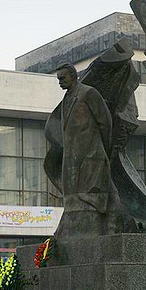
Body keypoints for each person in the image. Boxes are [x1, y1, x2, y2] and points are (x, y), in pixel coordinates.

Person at [44, 64, 123, 239]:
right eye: (58, 79)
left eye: (62, 78)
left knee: (93, 194)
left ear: (73, 75)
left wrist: (102, 147)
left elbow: (105, 121)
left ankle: (101, 223)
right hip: (71, 156)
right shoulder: (66, 99)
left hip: (91, 154)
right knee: (73, 195)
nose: (60, 82)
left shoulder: (88, 93)